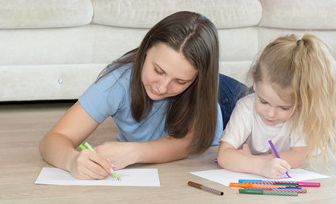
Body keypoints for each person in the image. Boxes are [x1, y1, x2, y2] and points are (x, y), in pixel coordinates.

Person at [39, 11, 224, 180]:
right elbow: (54, 139)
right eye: (158, 70)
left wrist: (135, 152)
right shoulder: (117, 81)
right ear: (145, 49)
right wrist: (72, 161)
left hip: (226, 99)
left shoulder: (203, 87)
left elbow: (187, 143)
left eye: (181, 81)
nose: (162, 87)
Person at [217, 34, 336, 179]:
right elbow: (224, 155)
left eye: (284, 108)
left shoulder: (302, 114)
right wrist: (259, 166)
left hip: (314, 134)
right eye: (263, 101)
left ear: (302, 102)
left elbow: (297, 157)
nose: (270, 114)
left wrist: (252, 161)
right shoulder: (245, 108)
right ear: (255, 82)